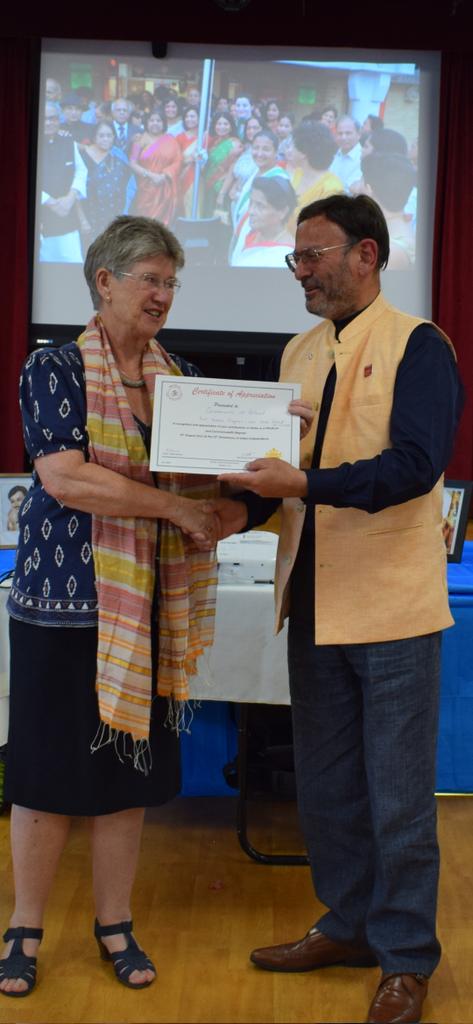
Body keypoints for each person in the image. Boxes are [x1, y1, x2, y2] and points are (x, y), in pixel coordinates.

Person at [212, 194, 464, 1024]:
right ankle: (347, 924)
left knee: (396, 795)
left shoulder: (419, 345)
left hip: (391, 607)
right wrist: (229, 512)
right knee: (324, 788)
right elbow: (283, 474)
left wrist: (300, 486)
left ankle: (404, 960)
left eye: (312, 255)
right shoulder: (297, 349)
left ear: (366, 255)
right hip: (310, 600)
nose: (300, 271)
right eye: (295, 257)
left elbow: (413, 469)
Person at [0, 214, 220, 998]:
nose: (163, 294)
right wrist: (173, 511)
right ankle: (24, 926)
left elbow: (206, 480)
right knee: (43, 775)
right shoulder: (54, 368)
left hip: (145, 607)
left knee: (125, 776)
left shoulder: (180, 377)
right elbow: (65, 479)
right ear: (104, 281)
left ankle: (114, 922)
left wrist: (269, 444)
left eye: (171, 281)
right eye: (149, 279)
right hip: (62, 610)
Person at [230, 129, 289, 260]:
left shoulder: (279, 179)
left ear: (275, 152)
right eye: (256, 148)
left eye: (266, 149)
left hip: (260, 242)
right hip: (243, 234)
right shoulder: (256, 171)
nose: (259, 153)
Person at [40, 101, 88, 262]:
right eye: (44, 118)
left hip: (67, 218)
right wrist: (49, 202)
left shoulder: (68, 142)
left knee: (73, 263)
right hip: (39, 220)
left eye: (53, 118)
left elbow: (81, 170)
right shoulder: (28, 142)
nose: (48, 122)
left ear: (59, 120)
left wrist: (70, 197)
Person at [286, 121, 342, 232]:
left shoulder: (331, 189)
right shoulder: (298, 173)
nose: (288, 151)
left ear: (304, 153)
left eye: (292, 146)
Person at [79, 121, 132, 239]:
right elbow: (76, 190)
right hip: (89, 216)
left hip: (113, 217)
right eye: (101, 136)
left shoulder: (119, 158)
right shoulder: (82, 157)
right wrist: (82, 220)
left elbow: (128, 189)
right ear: (94, 137)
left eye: (109, 136)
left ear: (114, 137)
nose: (105, 139)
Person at [230, 175, 297, 266]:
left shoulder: (285, 256)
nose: (251, 211)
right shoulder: (251, 233)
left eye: (260, 206)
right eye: (251, 203)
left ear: (282, 212)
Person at [129, 109, 181, 224]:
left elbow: (177, 161)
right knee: (145, 221)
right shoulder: (139, 140)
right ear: (146, 122)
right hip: (146, 187)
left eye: (158, 120)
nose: (155, 123)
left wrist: (164, 175)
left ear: (164, 123)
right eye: (152, 120)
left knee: (162, 224)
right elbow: (132, 162)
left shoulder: (171, 140)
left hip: (164, 187)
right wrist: (151, 175)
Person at [202, 112, 241, 216]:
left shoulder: (235, 144)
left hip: (223, 189)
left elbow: (233, 170)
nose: (222, 127)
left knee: (220, 220)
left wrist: (222, 193)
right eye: (219, 124)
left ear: (231, 126)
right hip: (209, 186)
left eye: (225, 124)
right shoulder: (214, 142)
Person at [329, 114, 363, 192]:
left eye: (348, 133)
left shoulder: (363, 159)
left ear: (359, 135)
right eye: (340, 133)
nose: (343, 137)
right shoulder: (334, 155)